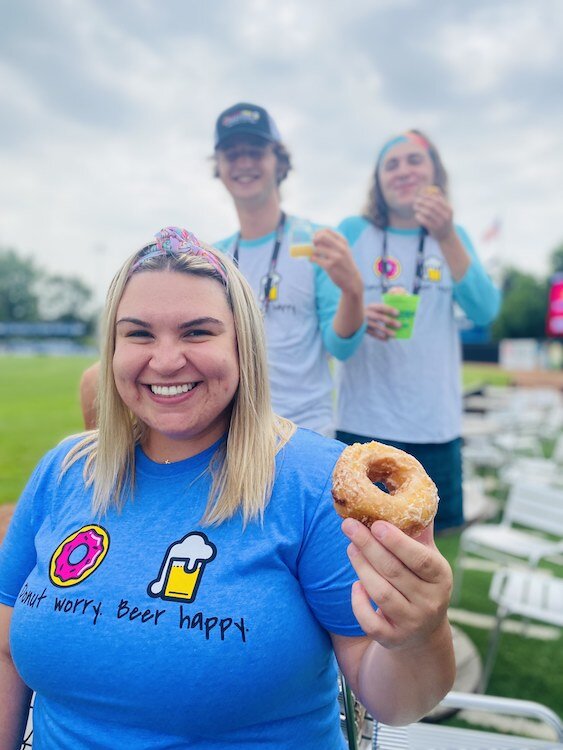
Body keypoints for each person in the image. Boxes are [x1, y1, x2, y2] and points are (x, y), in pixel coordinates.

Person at [0, 226, 455, 749]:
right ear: (113, 347)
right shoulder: (61, 472)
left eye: (197, 332)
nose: (166, 360)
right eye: (139, 334)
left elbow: (395, 702)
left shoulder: (316, 485)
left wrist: (422, 635)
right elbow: (6, 652)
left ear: (243, 346)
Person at [336, 130, 501, 533]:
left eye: (414, 161)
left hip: (434, 424)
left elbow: (484, 310)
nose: (403, 171)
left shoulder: (454, 237)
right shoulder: (356, 232)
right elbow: (335, 331)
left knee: (432, 543)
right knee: (350, 543)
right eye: (391, 164)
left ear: (434, 173)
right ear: (377, 180)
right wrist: (359, 313)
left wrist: (445, 235)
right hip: (363, 423)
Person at [212, 102, 366, 436]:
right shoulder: (214, 257)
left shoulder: (316, 242)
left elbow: (341, 348)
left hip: (306, 432)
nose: (244, 163)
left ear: (279, 162)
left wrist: (354, 290)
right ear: (219, 166)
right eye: (232, 154)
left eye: (255, 152)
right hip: (234, 435)